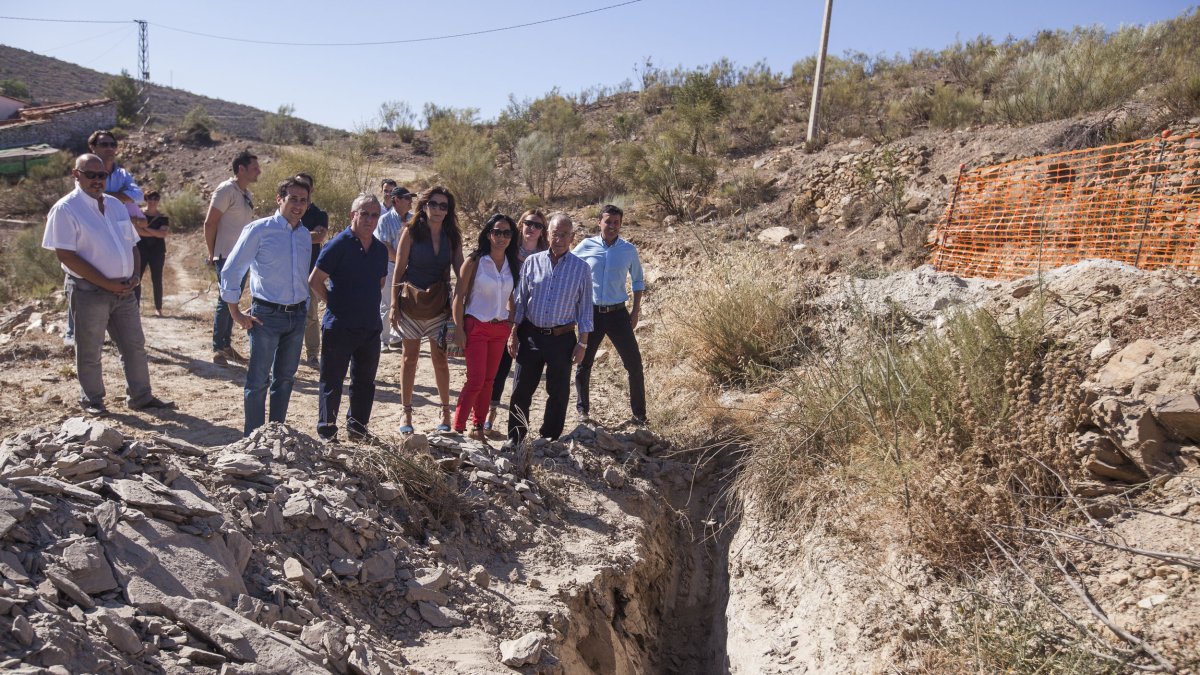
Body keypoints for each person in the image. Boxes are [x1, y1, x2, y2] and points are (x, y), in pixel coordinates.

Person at [41, 154, 174, 415]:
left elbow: (132, 244)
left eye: (101, 175)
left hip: (124, 291)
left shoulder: (114, 205)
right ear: (75, 174)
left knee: (134, 345)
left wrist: (135, 275)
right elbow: (66, 256)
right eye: (90, 175)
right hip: (88, 291)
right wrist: (106, 283)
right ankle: (92, 401)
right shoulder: (65, 209)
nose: (96, 180)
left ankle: (141, 396)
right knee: (90, 348)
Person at [219, 177, 313, 437]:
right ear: (279, 199)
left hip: (296, 317)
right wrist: (235, 312)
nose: (298, 205)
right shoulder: (259, 230)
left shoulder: (304, 235)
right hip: (266, 317)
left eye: (303, 200)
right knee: (258, 381)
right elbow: (232, 270)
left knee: (284, 380)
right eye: (292, 198)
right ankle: (253, 438)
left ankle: (275, 435)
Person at [506, 213, 593, 444]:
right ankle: (515, 437)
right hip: (531, 334)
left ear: (572, 237)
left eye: (565, 234)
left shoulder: (581, 269)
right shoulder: (532, 263)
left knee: (558, 392)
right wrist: (513, 333)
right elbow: (520, 300)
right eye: (555, 233)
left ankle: (549, 438)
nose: (559, 239)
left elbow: (585, 309)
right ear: (548, 234)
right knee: (521, 390)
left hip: (562, 339)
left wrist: (582, 343)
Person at [309, 194, 388, 441]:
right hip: (340, 326)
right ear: (352, 215)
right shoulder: (337, 245)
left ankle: (357, 428)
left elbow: (380, 282)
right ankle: (327, 430)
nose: (369, 219)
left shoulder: (379, 250)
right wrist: (336, 303)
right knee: (332, 380)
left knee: (365, 381)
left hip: (370, 326)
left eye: (374, 214)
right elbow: (315, 280)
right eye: (364, 213)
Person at [388, 186, 464, 434]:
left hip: (440, 307)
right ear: (424, 205)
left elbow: (460, 270)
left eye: (444, 206)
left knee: (440, 360)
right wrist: (393, 305)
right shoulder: (410, 232)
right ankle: (406, 412)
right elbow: (398, 271)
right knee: (409, 359)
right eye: (434, 204)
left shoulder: (452, 236)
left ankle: (444, 411)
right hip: (411, 304)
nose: (438, 210)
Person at [63, 130, 147, 347]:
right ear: (93, 148)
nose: (109, 148)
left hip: (120, 230)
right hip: (91, 235)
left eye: (112, 144)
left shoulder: (122, 174)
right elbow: (85, 197)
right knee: (81, 284)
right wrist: (117, 195)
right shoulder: (85, 168)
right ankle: (75, 335)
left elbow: (138, 195)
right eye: (104, 144)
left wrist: (108, 196)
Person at [572, 204, 647, 426]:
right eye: (608, 221)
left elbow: (638, 281)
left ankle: (639, 415)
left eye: (616, 222)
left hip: (618, 315)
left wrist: (635, 312)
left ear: (620, 224)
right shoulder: (586, 246)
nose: (612, 226)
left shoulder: (628, 250)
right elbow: (569, 268)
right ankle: (583, 411)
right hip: (591, 314)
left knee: (634, 364)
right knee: (584, 363)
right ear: (599, 223)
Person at [450, 213, 519, 440]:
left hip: (500, 329)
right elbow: (458, 297)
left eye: (506, 233)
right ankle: (458, 426)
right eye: (497, 232)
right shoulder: (475, 260)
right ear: (488, 234)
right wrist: (458, 329)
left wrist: (511, 324)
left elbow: (512, 297)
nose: (501, 237)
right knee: (476, 379)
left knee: (489, 380)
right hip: (476, 325)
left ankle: (478, 426)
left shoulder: (513, 263)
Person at [484, 208, 548, 434]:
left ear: (543, 231)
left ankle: (519, 426)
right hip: (503, 316)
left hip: (531, 320)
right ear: (521, 224)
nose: (532, 228)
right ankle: (489, 414)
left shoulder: (547, 255)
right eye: (529, 223)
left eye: (538, 225)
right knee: (499, 367)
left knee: (522, 374)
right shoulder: (509, 250)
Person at [204, 150, 260, 365]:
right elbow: (210, 222)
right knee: (226, 299)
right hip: (226, 255)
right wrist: (212, 253)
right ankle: (219, 348)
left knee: (232, 299)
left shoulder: (246, 194)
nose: (259, 171)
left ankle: (225, 345)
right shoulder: (226, 189)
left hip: (241, 257)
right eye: (255, 168)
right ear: (241, 169)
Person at [295, 172, 329, 366]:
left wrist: (293, 233)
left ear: (311, 190)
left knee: (311, 313)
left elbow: (318, 237)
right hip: (287, 270)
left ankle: (312, 353)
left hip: (310, 271)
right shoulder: (288, 211)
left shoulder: (319, 214)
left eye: (305, 186)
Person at [376, 186, 416, 351]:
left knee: (406, 303)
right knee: (386, 303)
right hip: (390, 267)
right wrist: (401, 261)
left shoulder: (414, 219)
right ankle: (383, 339)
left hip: (411, 268)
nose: (410, 201)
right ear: (396, 200)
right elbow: (384, 245)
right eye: (407, 198)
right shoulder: (384, 220)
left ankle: (398, 336)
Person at [134, 191, 169, 317]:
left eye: (155, 198)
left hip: (157, 251)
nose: (152, 201)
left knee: (157, 278)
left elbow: (163, 234)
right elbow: (137, 231)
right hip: (141, 249)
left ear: (158, 200)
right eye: (149, 198)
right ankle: (135, 307)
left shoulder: (163, 217)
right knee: (137, 278)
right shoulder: (139, 214)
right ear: (145, 199)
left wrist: (145, 229)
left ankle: (158, 308)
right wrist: (155, 232)